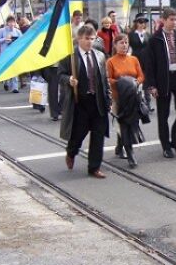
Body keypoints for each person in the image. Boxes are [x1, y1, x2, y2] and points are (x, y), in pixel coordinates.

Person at [58, 24, 111, 179]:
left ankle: (94, 167)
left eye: (92, 39)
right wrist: (69, 79)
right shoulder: (70, 56)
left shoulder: (99, 55)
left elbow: (104, 79)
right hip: (80, 102)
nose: (89, 42)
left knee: (98, 135)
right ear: (79, 39)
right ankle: (71, 152)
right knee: (78, 134)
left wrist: (108, 99)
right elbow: (60, 75)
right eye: (86, 38)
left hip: (97, 101)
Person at [144, 8, 176, 159]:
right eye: (171, 20)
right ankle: (166, 146)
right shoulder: (155, 39)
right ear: (163, 20)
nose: (174, 22)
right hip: (163, 79)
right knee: (163, 115)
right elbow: (149, 64)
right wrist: (151, 85)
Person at [107, 34, 145, 168]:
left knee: (131, 123)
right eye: (121, 43)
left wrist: (135, 82)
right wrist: (122, 83)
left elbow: (141, 76)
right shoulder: (111, 61)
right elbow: (108, 79)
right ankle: (130, 153)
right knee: (124, 124)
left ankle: (119, 146)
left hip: (133, 98)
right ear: (115, 45)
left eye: (126, 42)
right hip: (119, 98)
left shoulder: (133, 59)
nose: (124, 45)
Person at [128, 12, 153, 111]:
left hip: (146, 60)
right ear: (136, 23)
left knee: (146, 81)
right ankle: (136, 103)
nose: (142, 24)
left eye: (144, 22)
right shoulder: (131, 34)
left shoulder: (148, 34)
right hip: (135, 59)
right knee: (136, 81)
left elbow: (151, 48)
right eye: (140, 22)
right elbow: (127, 47)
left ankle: (148, 103)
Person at [0, 16, 22, 93]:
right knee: (5, 69)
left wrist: (16, 41)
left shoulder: (17, 31)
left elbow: (22, 40)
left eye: (13, 22)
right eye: (10, 22)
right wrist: (4, 39)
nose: (11, 23)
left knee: (14, 69)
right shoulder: (2, 30)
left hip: (14, 53)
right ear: (7, 23)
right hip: (5, 53)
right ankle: (6, 82)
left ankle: (15, 87)